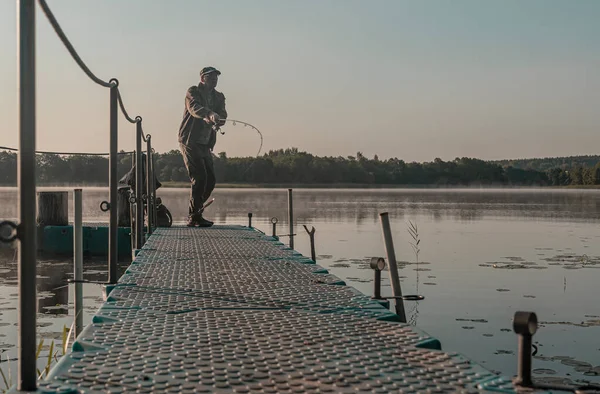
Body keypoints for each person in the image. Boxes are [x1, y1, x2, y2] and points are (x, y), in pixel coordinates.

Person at [178, 66, 227, 227]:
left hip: (206, 144)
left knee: (210, 180)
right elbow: (194, 108)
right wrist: (208, 114)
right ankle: (194, 216)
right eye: (210, 76)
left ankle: (196, 212)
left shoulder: (219, 97)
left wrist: (220, 119)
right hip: (190, 140)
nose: (214, 79)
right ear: (202, 79)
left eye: (216, 77)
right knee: (199, 177)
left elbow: (223, 114)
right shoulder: (193, 91)